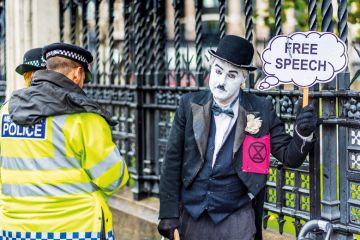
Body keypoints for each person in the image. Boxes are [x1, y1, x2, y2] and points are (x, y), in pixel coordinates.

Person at [157, 35, 317, 240]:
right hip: (192, 215)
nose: (221, 81)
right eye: (218, 71)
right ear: (211, 68)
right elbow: (172, 162)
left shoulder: (261, 109)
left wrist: (303, 133)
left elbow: (289, 156)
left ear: (243, 78)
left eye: (232, 75)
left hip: (237, 219)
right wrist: (168, 215)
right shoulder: (188, 105)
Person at [0, 42, 129, 240]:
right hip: (76, 229)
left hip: (15, 229)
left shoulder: (6, 111)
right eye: (84, 77)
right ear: (77, 73)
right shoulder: (85, 117)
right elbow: (113, 179)